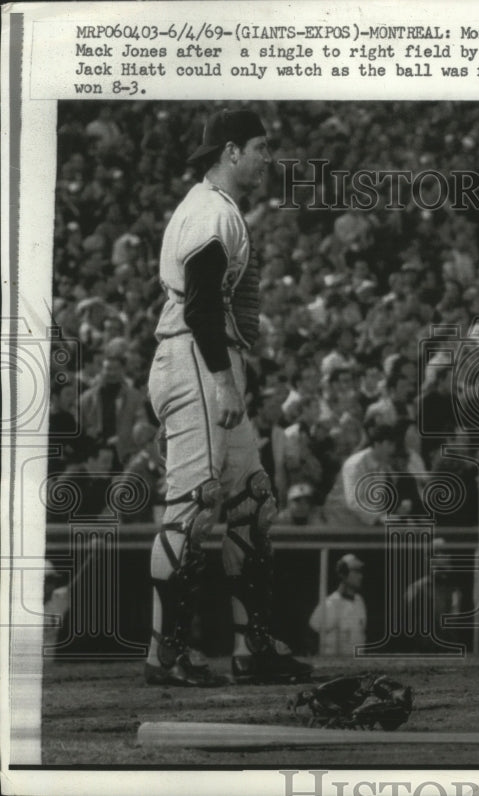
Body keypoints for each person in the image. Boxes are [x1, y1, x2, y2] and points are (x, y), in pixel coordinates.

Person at [144, 108, 312, 687]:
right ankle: (164, 656)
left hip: (206, 358)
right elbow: (200, 305)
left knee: (253, 501)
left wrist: (228, 375)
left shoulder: (215, 207)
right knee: (193, 504)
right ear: (232, 151)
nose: (269, 158)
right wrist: (219, 380)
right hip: (195, 357)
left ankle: (253, 648)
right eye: (261, 147)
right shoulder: (211, 212)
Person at [309, 554, 367, 656]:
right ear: (343, 574)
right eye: (356, 571)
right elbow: (313, 633)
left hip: (357, 665)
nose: (360, 576)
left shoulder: (359, 601)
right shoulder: (330, 603)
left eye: (361, 572)